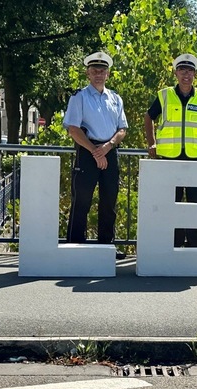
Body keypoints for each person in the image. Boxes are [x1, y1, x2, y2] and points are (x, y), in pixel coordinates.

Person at [144, 53, 197, 248]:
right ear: (175, 73)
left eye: (189, 70)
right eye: (182, 70)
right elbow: (148, 117)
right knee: (172, 205)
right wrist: (151, 142)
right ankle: (174, 246)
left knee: (196, 205)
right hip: (169, 157)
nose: (186, 74)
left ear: (195, 74)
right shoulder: (164, 95)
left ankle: (195, 246)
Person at [63, 51, 128, 246]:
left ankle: (106, 246)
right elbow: (73, 129)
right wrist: (95, 151)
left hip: (110, 152)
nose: (99, 74)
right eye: (94, 71)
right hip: (86, 152)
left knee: (109, 203)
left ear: (108, 74)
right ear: (88, 74)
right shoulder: (79, 97)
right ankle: (75, 246)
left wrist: (107, 147)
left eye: (102, 70)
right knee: (81, 202)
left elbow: (122, 129)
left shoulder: (115, 98)